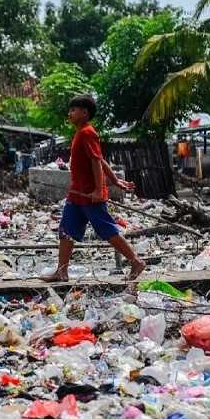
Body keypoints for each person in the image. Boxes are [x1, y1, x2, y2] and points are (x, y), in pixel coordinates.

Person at [40, 94, 146, 282]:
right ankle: (61, 271)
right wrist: (114, 180)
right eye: (70, 109)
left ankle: (136, 261)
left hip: (90, 195)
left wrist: (99, 190)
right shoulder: (80, 133)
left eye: (74, 110)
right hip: (77, 195)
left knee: (106, 230)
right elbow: (101, 159)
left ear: (85, 113)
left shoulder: (87, 132)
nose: (70, 113)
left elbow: (96, 161)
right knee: (65, 230)